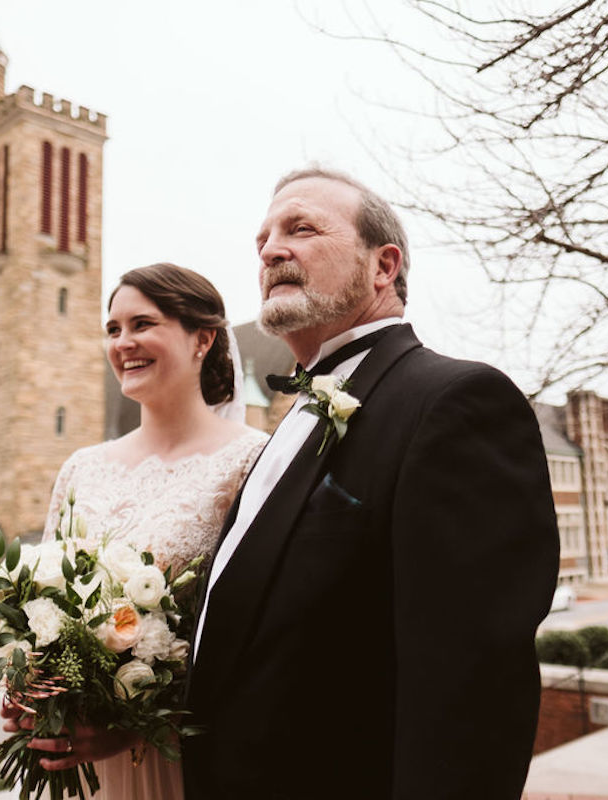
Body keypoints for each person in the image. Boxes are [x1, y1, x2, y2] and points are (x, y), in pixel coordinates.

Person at [184, 169, 560, 799]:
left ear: (384, 266)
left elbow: (472, 692)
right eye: (263, 240)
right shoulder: (288, 421)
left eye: (301, 229)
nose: (272, 249)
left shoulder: (457, 403)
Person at [2, 263, 268, 800]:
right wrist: (29, 683)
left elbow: (254, 636)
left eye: (143, 324)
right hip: (77, 767)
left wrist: (127, 725)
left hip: (178, 760)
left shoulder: (251, 461)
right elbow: (38, 602)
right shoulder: (82, 467)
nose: (124, 343)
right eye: (113, 329)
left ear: (203, 338)